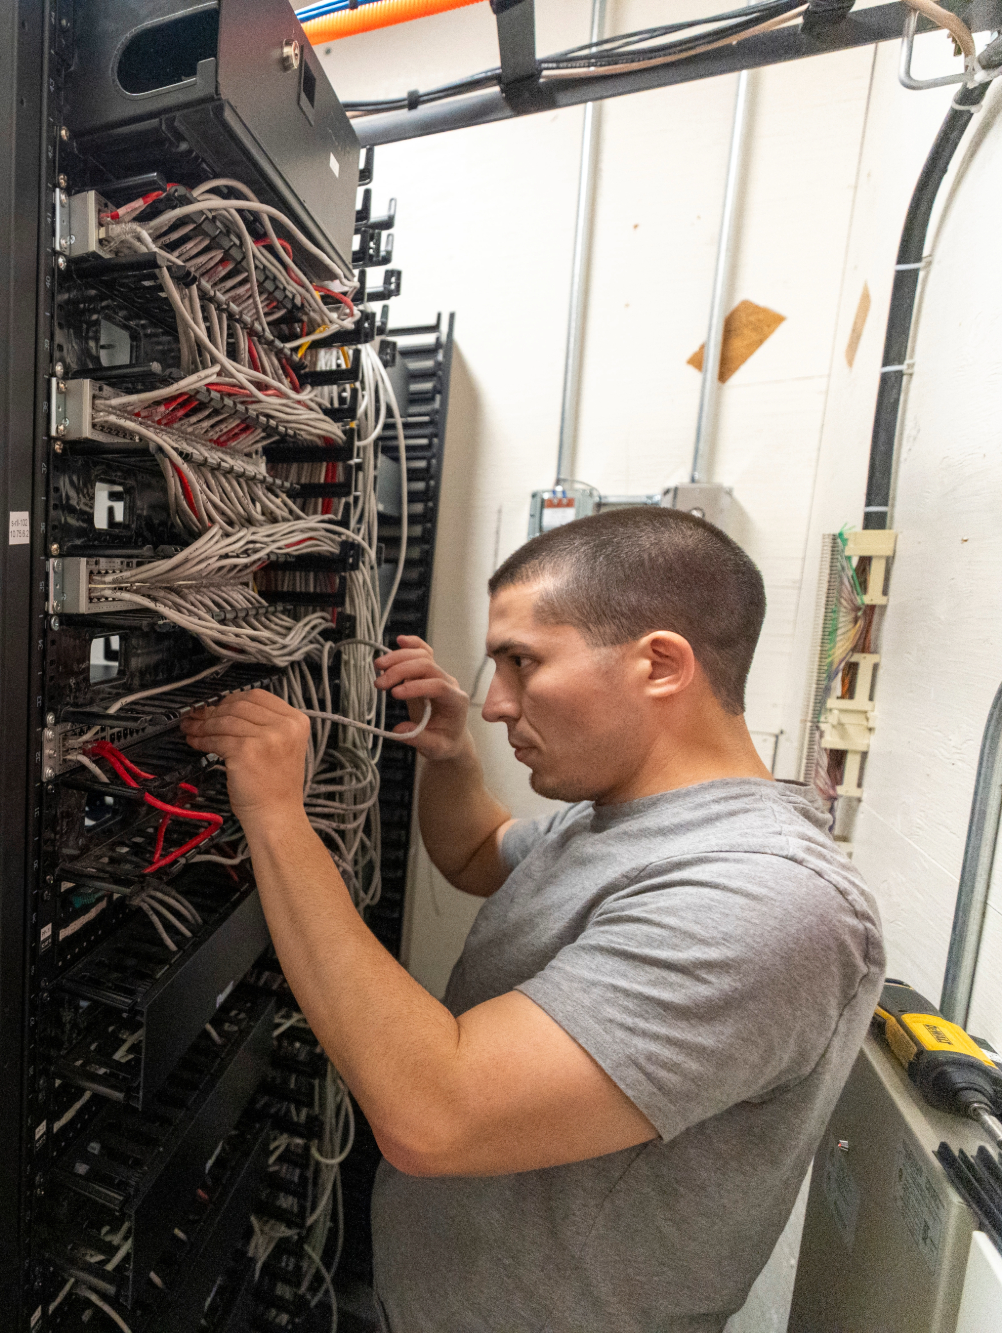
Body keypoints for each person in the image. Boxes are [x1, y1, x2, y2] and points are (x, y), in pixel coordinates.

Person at [182, 506, 883, 1331]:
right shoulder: (622, 816)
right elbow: (481, 850)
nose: (495, 703)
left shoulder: (763, 898)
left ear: (660, 664)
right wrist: (451, 758)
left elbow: (433, 1113)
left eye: (522, 662)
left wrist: (274, 813)